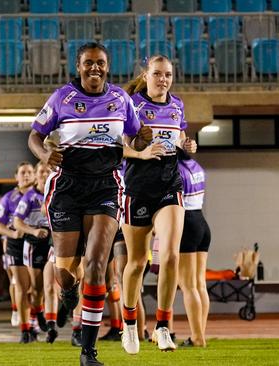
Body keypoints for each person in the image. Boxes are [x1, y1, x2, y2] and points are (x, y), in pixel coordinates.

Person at [28, 42, 149, 365]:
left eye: (100, 63)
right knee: (67, 273)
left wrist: (143, 139)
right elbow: (34, 136)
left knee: (97, 266)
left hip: (106, 186)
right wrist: (44, 155)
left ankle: (88, 352)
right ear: (78, 66)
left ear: (107, 67)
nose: (94, 68)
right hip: (67, 186)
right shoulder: (61, 98)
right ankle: (68, 294)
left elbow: (135, 137)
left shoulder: (121, 99)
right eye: (88, 63)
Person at [120, 55, 197, 355]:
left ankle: (163, 327)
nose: (162, 79)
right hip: (138, 189)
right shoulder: (131, 104)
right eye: (157, 74)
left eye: (167, 74)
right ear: (146, 75)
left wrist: (188, 146)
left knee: (170, 256)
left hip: (169, 186)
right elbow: (119, 147)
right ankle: (129, 325)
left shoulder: (177, 105)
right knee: (137, 262)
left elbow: (180, 139)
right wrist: (141, 152)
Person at [0, 162, 36, 342]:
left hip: (37, 243)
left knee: (37, 287)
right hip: (15, 244)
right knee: (18, 283)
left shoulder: (41, 194)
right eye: (23, 172)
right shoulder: (9, 198)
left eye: (30, 172)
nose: (26, 175)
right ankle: (22, 320)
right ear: (16, 176)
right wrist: (12, 233)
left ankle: (34, 318)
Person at [13, 161, 55, 342]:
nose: (45, 174)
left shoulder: (57, 192)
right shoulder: (29, 196)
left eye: (48, 171)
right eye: (41, 172)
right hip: (33, 243)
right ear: (36, 175)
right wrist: (33, 231)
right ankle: (37, 313)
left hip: (53, 242)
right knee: (36, 289)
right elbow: (17, 222)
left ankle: (52, 325)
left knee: (50, 286)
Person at [177, 150, 210, 347]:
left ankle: (197, 337)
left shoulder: (177, 168)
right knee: (199, 284)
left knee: (188, 286)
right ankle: (199, 334)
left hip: (187, 222)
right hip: (202, 222)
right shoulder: (196, 166)